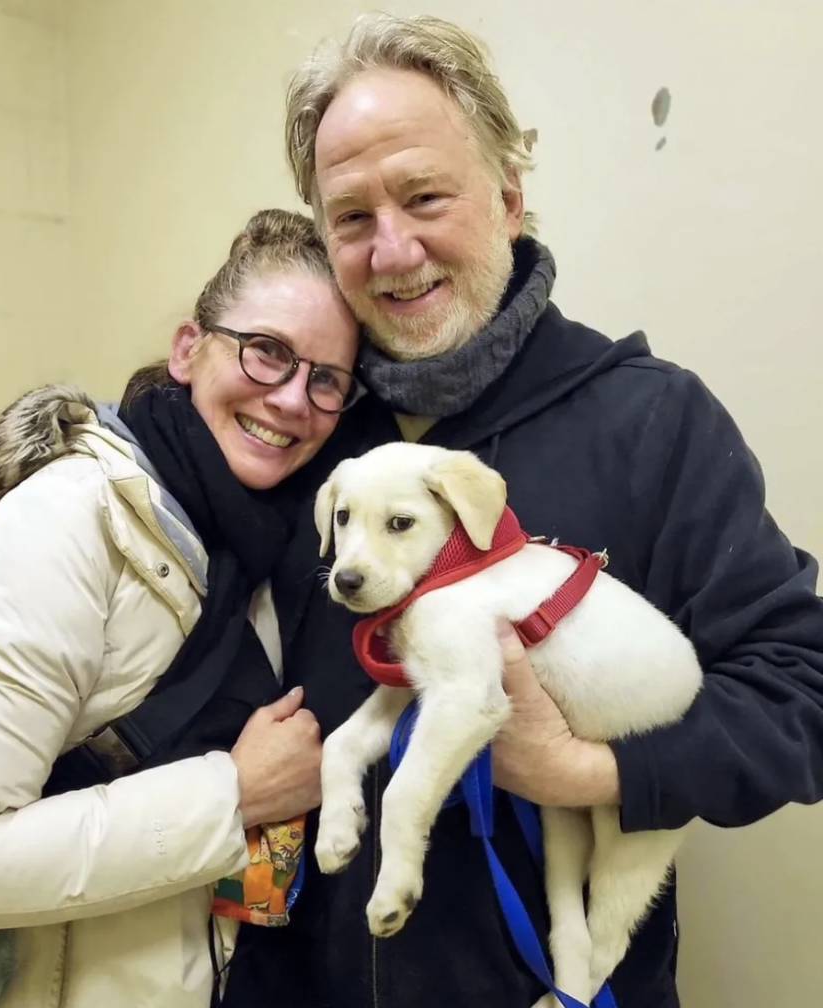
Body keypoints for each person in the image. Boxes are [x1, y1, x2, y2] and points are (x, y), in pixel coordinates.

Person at [221, 14, 823, 1008]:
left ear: (508, 196)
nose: (394, 248)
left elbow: (801, 698)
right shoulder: (306, 433)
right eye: (352, 218)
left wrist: (580, 768)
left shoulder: (653, 420)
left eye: (424, 197)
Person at [0, 208, 363, 1008]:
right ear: (187, 349)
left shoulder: (267, 542)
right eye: (267, 351)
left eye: (327, 378)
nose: (292, 399)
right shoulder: (66, 518)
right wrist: (231, 794)